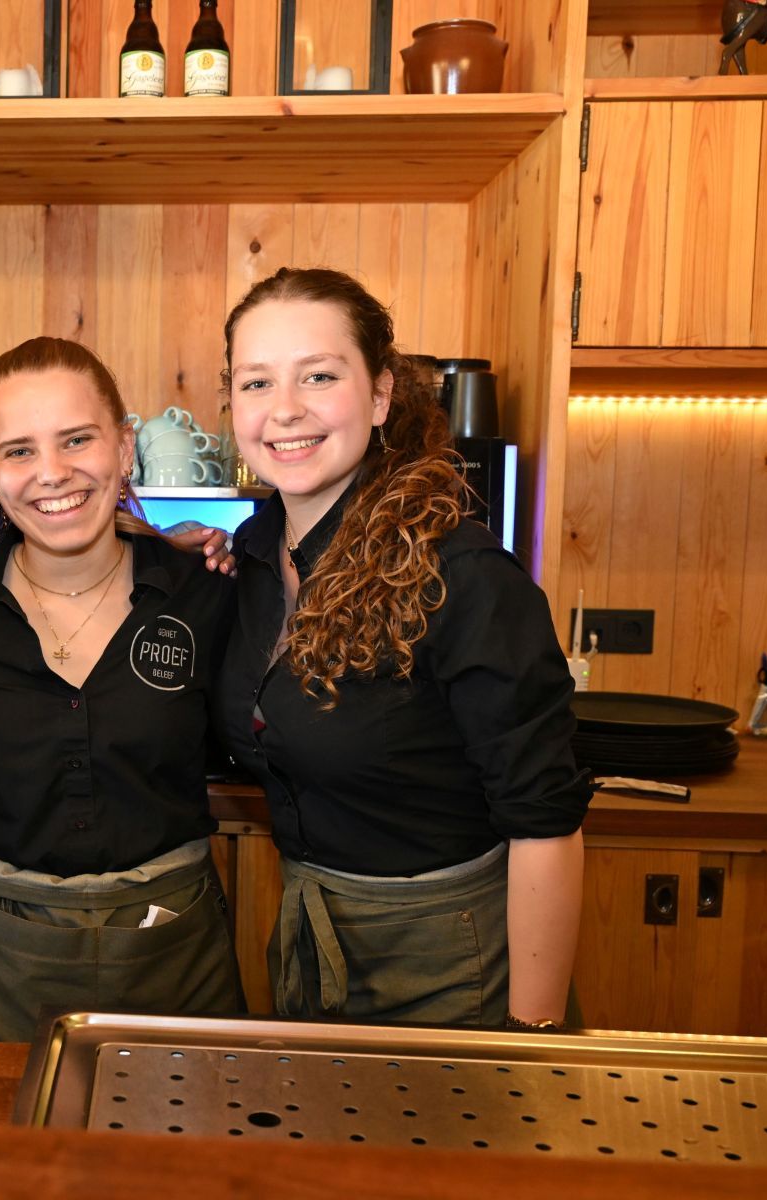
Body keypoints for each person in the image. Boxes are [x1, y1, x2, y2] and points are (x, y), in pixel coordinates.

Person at [213, 267, 588, 1030]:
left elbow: (545, 823)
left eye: (319, 376)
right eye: (256, 383)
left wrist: (534, 1043)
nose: (284, 409)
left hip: (458, 960)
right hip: (315, 949)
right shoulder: (249, 560)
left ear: (381, 395)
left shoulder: (460, 573)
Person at [0, 337, 244, 1042]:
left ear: (125, 447)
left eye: (77, 439)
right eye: (20, 450)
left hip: (178, 950)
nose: (52, 472)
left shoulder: (203, 589)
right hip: (2, 961)